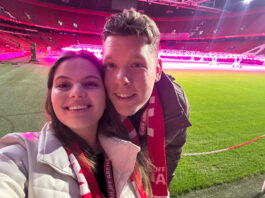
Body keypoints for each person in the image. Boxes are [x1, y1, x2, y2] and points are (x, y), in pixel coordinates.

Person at [0, 51, 153, 198]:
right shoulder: (22, 155)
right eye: (63, 85)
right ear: (51, 98)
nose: (76, 93)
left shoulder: (129, 152)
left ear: (106, 99)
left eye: (90, 83)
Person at [102, 9, 191, 196]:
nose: (121, 79)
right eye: (111, 65)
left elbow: (171, 154)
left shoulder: (174, 106)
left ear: (157, 70)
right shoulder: (92, 98)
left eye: (136, 65)